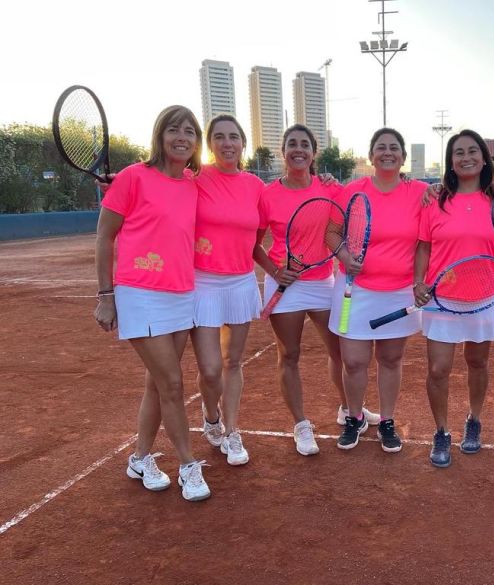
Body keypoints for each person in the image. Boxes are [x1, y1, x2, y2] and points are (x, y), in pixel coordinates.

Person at [94, 105, 210, 501]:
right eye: (174, 130)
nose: (182, 137)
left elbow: (235, 182)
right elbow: (104, 237)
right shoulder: (132, 178)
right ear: (160, 135)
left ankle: (140, 457)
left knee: (158, 383)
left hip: (181, 293)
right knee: (173, 384)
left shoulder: (195, 183)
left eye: (190, 132)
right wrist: (106, 295)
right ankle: (188, 465)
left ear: (197, 143)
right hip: (139, 293)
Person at [253, 124, 378, 457]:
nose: (298, 149)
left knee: (339, 351)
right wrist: (275, 271)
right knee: (289, 355)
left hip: (324, 282)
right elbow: (254, 245)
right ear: (283, 151)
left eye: (304, 145)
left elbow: (341, 224)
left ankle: (349, 408)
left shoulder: (329, 189)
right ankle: (301, 424)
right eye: (292, 144)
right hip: (285, 284)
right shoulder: (267, 194)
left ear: (313, 152)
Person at [328, 127, 428, 453]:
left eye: (394, 148)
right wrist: (344, 256)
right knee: (354, 361)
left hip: (398, 290)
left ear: (402, 156)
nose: (388, 153)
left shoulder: (420, 192)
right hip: (354, 289)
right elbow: (332, 233)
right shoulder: (351, 190)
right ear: (371, 155)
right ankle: (355, 417)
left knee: (390, 358)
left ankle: (387, 420)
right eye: (381, 147)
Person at [413, 130, 494, 468]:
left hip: (484, 295)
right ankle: (441, 431)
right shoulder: (435, 200)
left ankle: (474, 420)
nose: (466, 157)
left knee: (477, 363)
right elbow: (423, 246)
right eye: (458, 152)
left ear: (483, 157)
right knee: (438, 369)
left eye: (473, 151)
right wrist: (418, 281)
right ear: (450, 161)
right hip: (441, 296)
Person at [191, 114, 264, 466]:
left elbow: (260, 232)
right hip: (203, 281)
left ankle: (232, 431)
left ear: (243, 144)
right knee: (209, 368)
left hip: (240, 281)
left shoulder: (254, 186)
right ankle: (211, 418)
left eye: (233, 137)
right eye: (219, 137)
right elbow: (156, 185)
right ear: (210, 145)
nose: (227, 143)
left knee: (233, 361)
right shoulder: (194, 178)